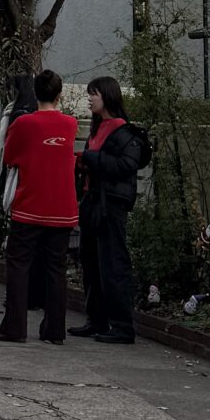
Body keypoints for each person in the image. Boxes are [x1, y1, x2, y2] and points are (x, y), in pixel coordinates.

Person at [0, 68, 78, 344]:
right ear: (59, 95)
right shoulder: (70, 124)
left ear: (35, 93)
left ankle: (15, 326)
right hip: (62, 206)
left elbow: (10, 156)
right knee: (56, 268)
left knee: (18, 264)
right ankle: (55, 330)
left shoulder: (24, 124)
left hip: (30, 204)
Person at [74, 73, 147, 345]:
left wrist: (92, 159)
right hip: (92, 201)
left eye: (94, 94)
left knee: (113, 262)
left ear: (107, 96)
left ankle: (122, 325)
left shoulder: (124, 132)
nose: (89, 98)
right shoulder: (98, 128)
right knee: (90, 261)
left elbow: (126, 166)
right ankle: (97, 319)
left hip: (111, 204)